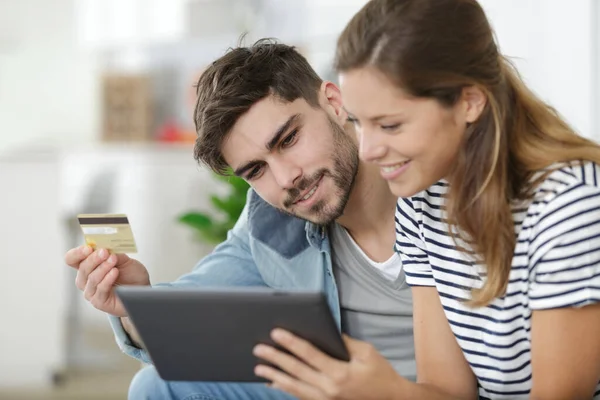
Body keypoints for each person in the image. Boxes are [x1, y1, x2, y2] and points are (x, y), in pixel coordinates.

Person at [251, 0, 600, 399]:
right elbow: (448, 391)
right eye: (361, 123)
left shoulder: (568, 204)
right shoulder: (421, 204)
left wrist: (391, 392)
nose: (368, 150)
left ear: (469, 102)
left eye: (390, 125)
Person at [64, 39, 417, 400]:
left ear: (334, 102)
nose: (286, 178)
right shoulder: (271, 219)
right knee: (155, 386)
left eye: (289, 139)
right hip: (330, 390)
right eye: (256, 169)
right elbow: (191, 313)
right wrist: (133, 302)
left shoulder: (428, 182)